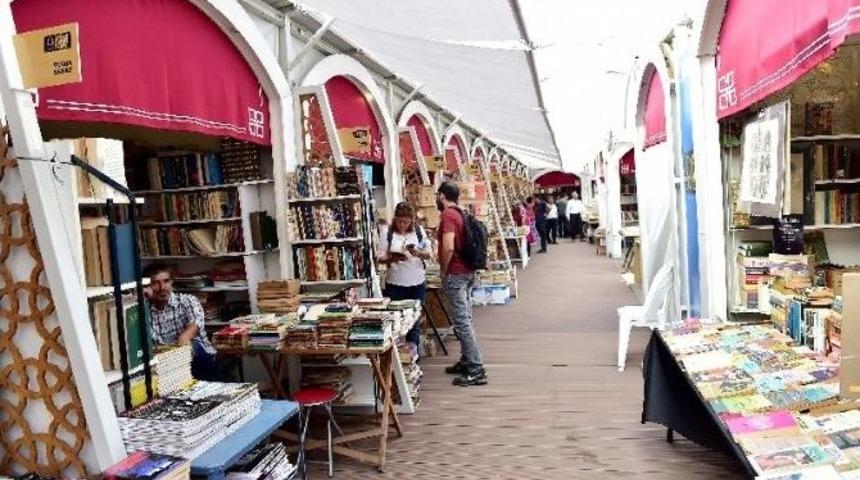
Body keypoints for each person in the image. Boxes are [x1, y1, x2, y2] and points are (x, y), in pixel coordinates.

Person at [436, 181, 487, 387]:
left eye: (437, 195)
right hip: (467, 271)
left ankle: (476, 367)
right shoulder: (461, 212)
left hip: (456, 273)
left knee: (462, 322)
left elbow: (448, 247)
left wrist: (443, 269)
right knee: (466, 317)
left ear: (442, 196)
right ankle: (467, 360)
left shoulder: (448, 215)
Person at [144, 264, 218, 380]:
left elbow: (195, 326)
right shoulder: (145, 310)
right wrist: (143, 298)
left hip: (194, 355)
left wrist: (180, 347)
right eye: (155, 283)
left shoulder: (187, 300)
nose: (162, 287)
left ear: (172, 282)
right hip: (164, 361)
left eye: (166, 281)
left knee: (193, 346)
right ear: (148, 286)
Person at [377, 202, 433, 356]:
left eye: (406, 222)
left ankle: (412, 357)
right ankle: (399, 356)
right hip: (395, 282)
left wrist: (418, 253)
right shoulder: (387, 232)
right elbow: (380, 257)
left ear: (412, 220)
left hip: (416, 282)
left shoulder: (418, 231)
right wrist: (392, 259)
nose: (402, 225)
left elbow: (429, 254)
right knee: (396, 319)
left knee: (414, 319)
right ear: (395, 219)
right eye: (399, 221)